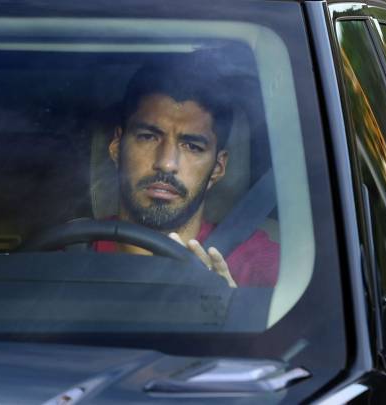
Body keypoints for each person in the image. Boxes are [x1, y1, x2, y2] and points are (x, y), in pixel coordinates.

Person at [97, 61, 279, 288]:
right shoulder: (72, 251)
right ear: (116, 148)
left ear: (217, 168)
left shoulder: (258, 263)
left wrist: (235, 304)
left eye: (192, 146)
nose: (166, 164)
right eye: (148, 137)